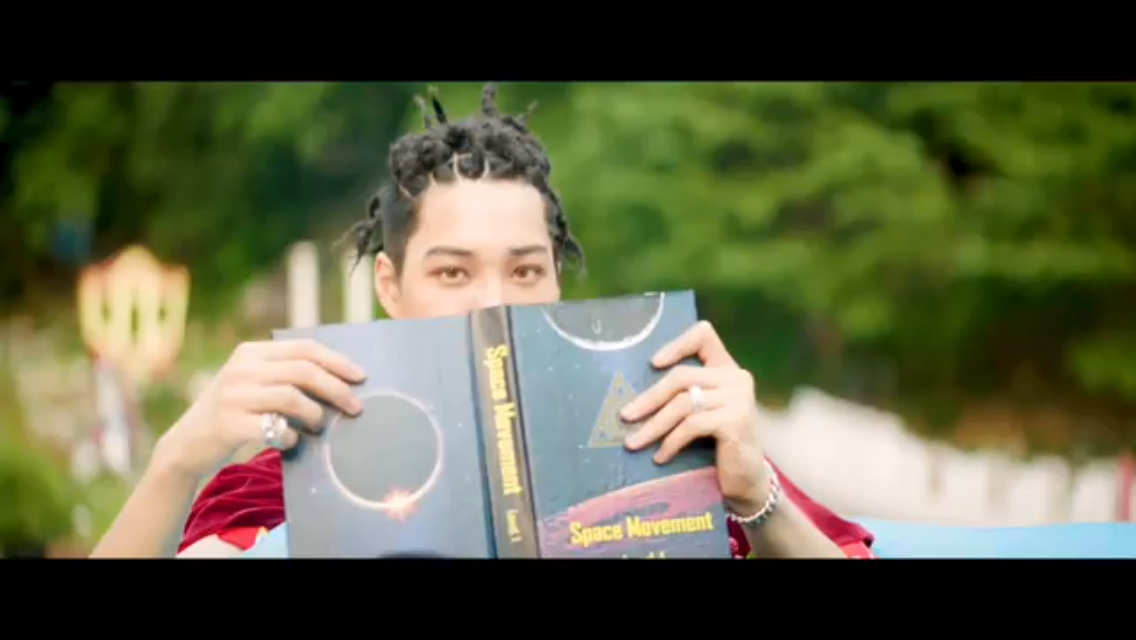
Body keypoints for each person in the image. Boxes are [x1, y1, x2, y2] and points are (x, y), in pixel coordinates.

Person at [90, 85, 875, 559]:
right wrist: (175, 463)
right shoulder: (291, 482)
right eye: (453, 272)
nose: (493, 301)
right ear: (391, 286)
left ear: (556, 281)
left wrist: (755, 496)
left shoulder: (668, 445)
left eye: (525, 270)